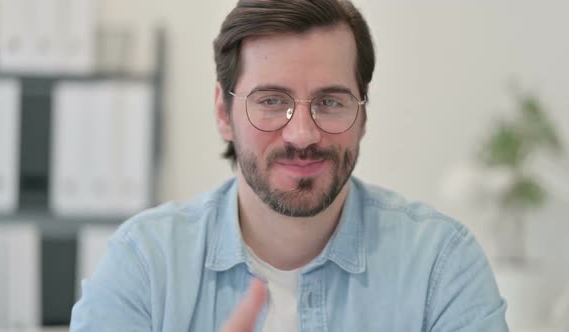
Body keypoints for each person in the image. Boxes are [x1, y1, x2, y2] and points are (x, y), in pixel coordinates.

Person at [70, 0, 508, 331]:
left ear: (364, 115)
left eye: (330, 102)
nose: (302, 134)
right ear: (224, 113)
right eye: (271, 101)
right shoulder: (144, 265)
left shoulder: (440, 265)